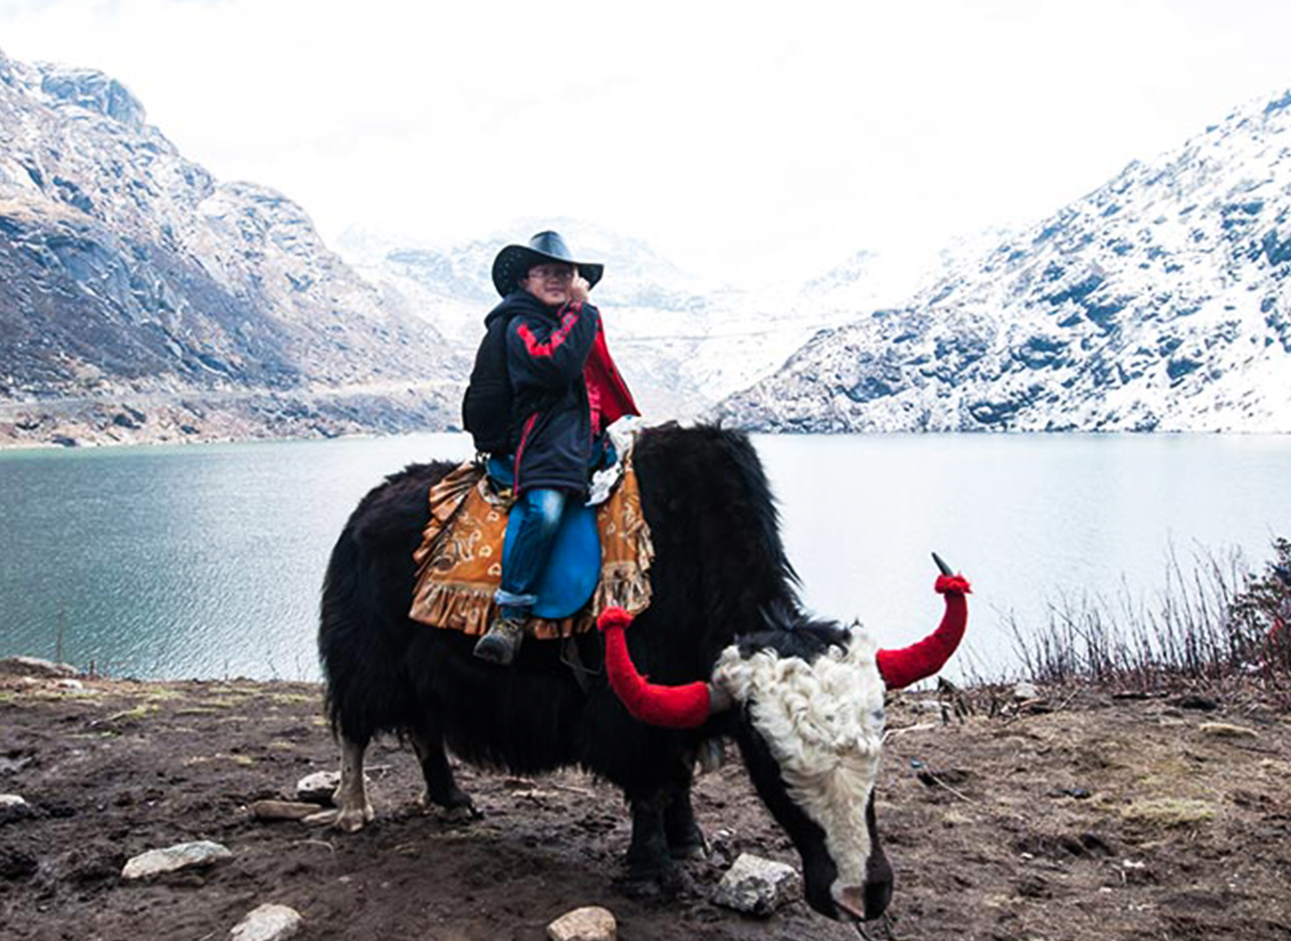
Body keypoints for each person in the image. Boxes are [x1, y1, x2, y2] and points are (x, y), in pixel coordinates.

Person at [473, 231, 639, 665]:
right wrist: (582, 309)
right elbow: (554, 364)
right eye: (544, 271)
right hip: (543, 447)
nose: (555, 279)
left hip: (585, 448)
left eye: (563, 272)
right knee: (544, 510)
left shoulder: (569, 323)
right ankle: (510, 614)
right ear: (524, 281)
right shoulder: (519, 325)